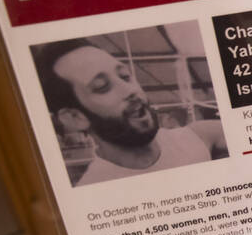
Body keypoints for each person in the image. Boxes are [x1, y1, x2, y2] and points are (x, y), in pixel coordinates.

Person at [36, 38, 227, 187]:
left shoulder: (200, 137)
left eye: (125, 76)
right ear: (75, 118)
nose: (130, 90)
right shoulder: (95, 190)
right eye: (102, 87)